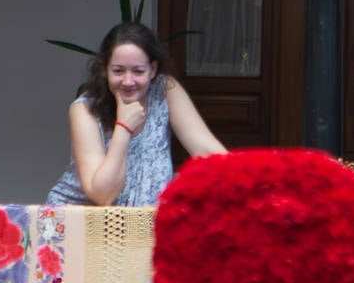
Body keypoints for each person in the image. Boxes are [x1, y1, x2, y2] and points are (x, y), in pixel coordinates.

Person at [46, 22, 227, 206]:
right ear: (104, 69)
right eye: (118, 71)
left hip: (142, 222)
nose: (128, 81)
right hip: (80, 223)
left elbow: (209, 153)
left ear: (153, 69)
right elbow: (102, 195)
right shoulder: (84, 109)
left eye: (138, 71)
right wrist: (124, 127)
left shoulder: (165, 90)